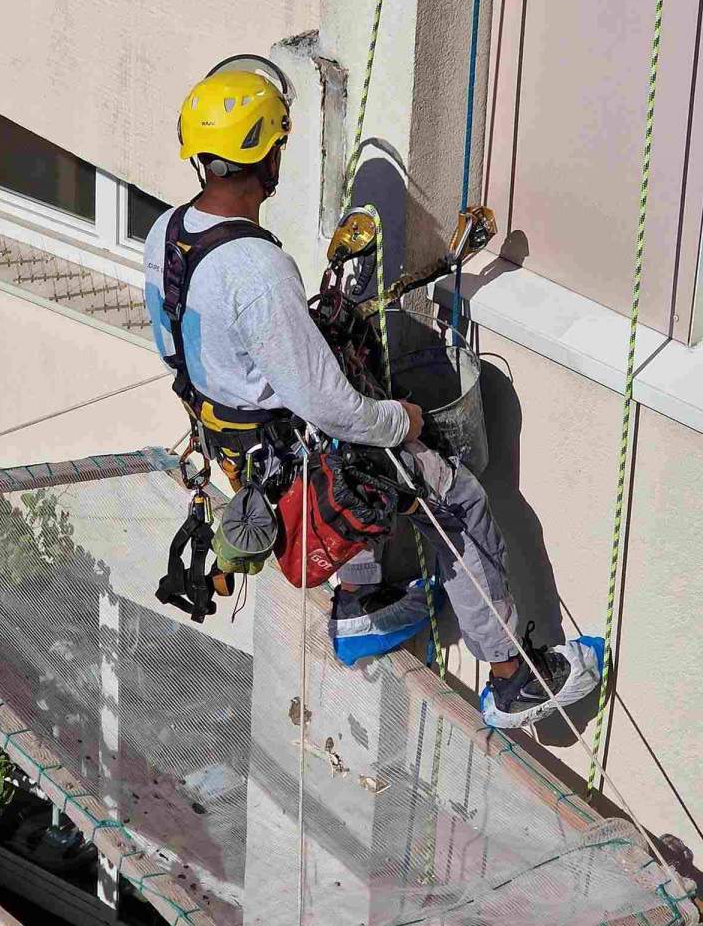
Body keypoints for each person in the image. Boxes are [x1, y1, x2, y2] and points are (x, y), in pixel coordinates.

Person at [144, 55, 601, 728]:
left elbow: (181, 342)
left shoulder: (168, 233)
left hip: (237, 446)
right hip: (294, 451)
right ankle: (514, 680)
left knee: (352, 450)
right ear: (267, 154)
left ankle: (363, 605)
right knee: (456, 498)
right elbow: (334, 407)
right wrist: (404, 420)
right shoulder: (257, 268)